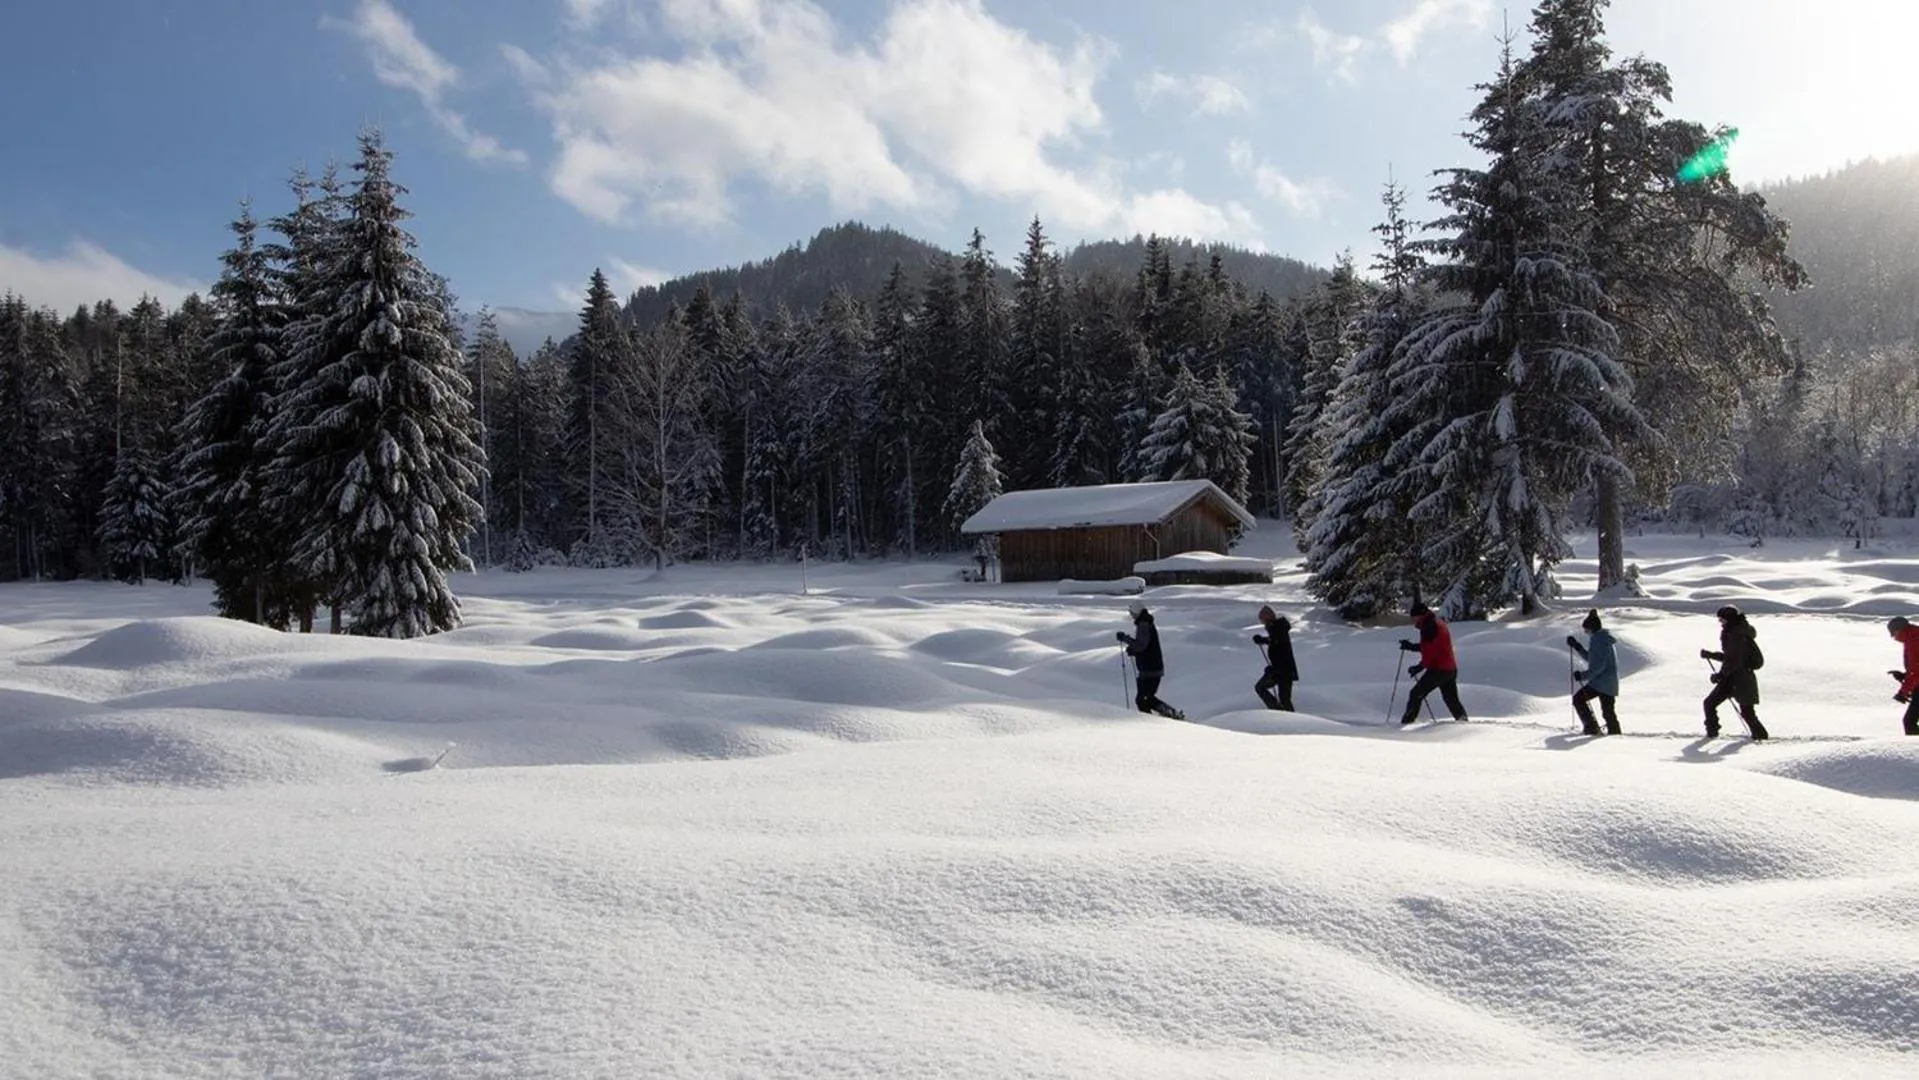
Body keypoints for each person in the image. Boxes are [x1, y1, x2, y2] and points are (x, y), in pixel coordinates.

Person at [1700, 604, 1768, 741]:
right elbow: (1731, 658)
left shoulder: (1735, 634)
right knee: (1746, 712)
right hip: (1741, 678)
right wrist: (1711, 655)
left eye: (1722, 620)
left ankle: (1712, 734)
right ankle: (1760, 737)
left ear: (1729, 619)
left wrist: (1720, 675)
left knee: (1711, 704)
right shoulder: (1737, 631)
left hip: (1738, 680)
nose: (1720, 623)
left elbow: (1733, 661)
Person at [1397, 602, 1468, 725]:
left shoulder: (1429, 626)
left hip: (1438, 669)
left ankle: (1407, 723)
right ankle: (1463, 722)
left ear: (1420, 615)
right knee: (1451, 700)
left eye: (1414, 617)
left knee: (1416, 694)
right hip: (1450, 668)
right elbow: (1431, 646)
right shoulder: (1436, 622)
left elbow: (1430, 650)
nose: (1413, 620)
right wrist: (1411, 646)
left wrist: (1420, 666)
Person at [1118, 600, 1184, 719]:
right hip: (1151, 668)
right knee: (1146, 698)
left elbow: (1141, 645)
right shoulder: (1146, 623)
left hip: (1150, 669)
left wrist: (1126, 639)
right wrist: (1134, 650)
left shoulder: (1143, 624)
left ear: (1136, 611)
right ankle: (1169, 715)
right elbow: (1144, 646)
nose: (1131, 615)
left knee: (1143, 699)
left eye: (1132, 612)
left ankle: (1158, 719)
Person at [1566, 609, 1621, 736]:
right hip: (1608, 683)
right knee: (1608, 712)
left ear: (1592, 628)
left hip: (1601, 683)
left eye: (1586, 629)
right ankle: (1615, 733)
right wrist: (1577, 647)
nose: (1585, 632)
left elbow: (1599, 666)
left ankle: (1591, 728)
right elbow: (1593, 659)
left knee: (1578, 699)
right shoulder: (1602, 638)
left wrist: (1583, 675)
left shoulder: (1598, 640)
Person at [1252, 604, 1298, 711]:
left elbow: (1278, 645)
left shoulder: (1278, 629)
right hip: (1283, 671)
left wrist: (1273, 669)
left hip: (1283, 671)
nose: (1263, 624)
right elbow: (1274, 641)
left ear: (1267, 619)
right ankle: (1282, 713)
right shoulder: (1278, 629)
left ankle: (1281, 713)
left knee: (1263, 689)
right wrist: (1264, 640)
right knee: (1284, 698)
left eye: (1263, 621)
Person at [1886, 616, 1919, 736]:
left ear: (1899, 630)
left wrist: (1903, 693)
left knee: (1909, 722)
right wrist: (1904, 676)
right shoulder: (1912, 637)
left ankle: (1913, 747)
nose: (1893, 637)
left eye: (1893, 633)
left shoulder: (1914, 641)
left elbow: (1916, 671)